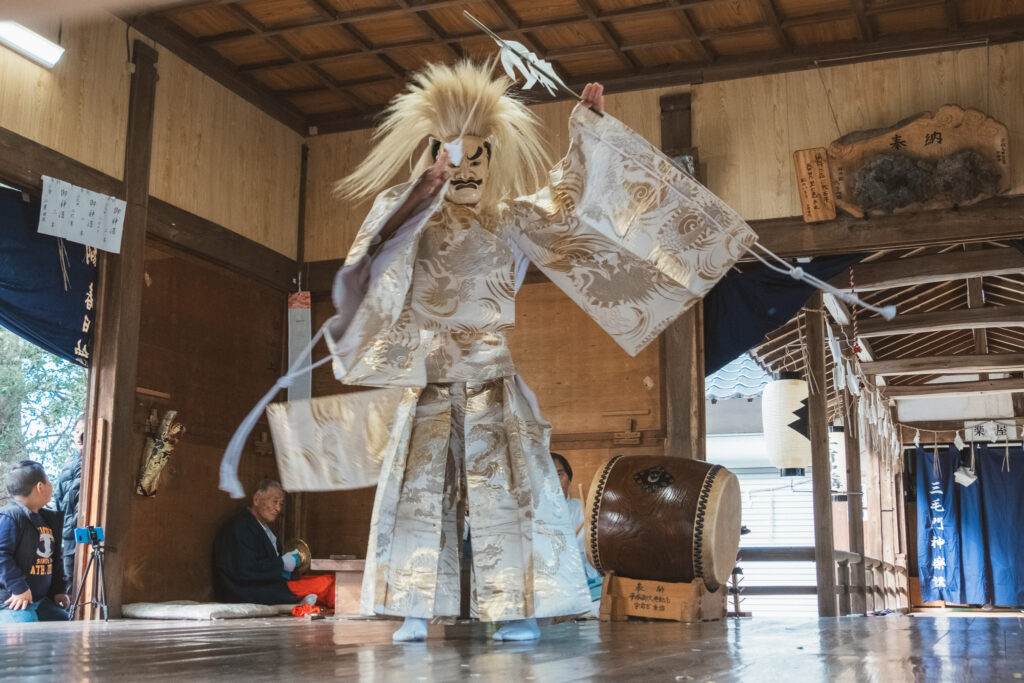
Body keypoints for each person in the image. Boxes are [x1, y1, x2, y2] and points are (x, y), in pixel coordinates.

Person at [310, 60, 753, 643]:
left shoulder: (510, 219)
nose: (466, 170)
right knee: (419, 497)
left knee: (510, 497)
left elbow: (566, 202)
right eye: (452, 157)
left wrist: (585, 131)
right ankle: (414, 611)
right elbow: (375, 253)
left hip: (492, 374)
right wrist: (421, 192)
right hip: (431, 377)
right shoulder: (414, 219)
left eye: (477, 158)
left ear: (491, 160)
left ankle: (517, 611)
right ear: (432, 158)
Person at [213, 479, 304, 605]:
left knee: (318, 582)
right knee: (320, 587)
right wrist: (281, 564)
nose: (278, 509)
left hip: (264, 588)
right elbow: (245, 569)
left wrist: (287, 567)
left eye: (281, 504)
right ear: (256, 499)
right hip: (244, 593)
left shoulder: (262, 527)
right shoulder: (240, 527)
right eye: (275, 502)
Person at [0, 460, 70, 622]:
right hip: (13, 601)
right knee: (25, 631)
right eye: (48, 481)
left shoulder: (47, 519)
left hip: (40, 601)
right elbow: (1, 555)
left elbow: (54, 559)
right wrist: (18, 588)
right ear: (40, 487)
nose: (51, 485)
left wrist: (58, 590)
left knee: (66, 624)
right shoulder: (10, 516)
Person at [551, 452, 602, 615]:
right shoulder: (531, 515)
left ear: (569, 478)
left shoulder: (585, 510)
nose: (554, 481)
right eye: (547, 476)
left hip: (586, 583)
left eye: (559, 474)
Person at [54, 413, 86, 591]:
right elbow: (59, 502)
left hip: (88, 536)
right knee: (69, 585)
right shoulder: (68, 465)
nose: (79, 437)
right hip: (68, 539)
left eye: (84, 432)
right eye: (76, 431)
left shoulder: (96, 462)